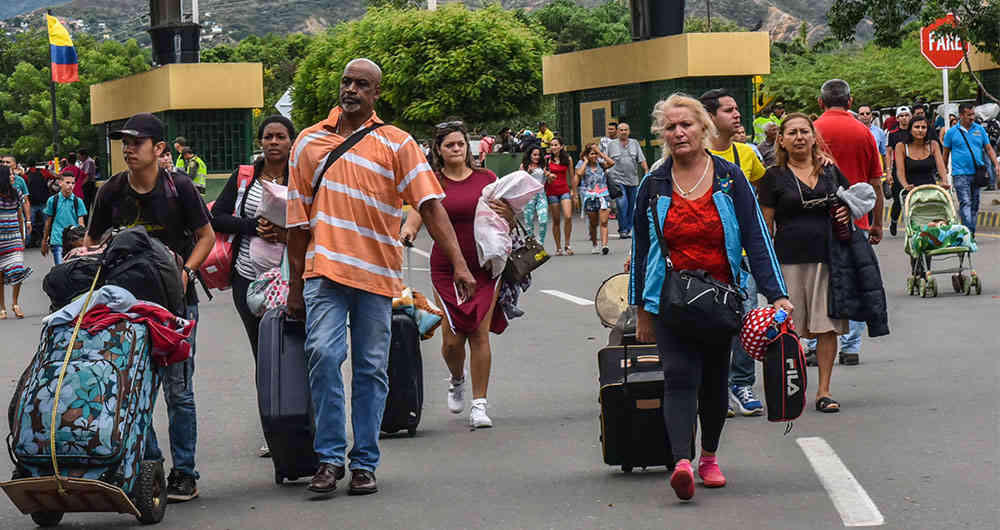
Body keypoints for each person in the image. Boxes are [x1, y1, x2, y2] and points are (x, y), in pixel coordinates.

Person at [285, 58, 474, 498]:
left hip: (376, 275)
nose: (350, 89)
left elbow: (429, 205)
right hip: (323, 272)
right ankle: (330, 458)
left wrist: (460, 263)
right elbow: (297, 223)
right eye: (346, 81)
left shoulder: (397, 143)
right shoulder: (308, 143)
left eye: (362, 84)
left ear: (375, 94)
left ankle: (364, 462)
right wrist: (295, 286)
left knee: (371, 368)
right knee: (323, 355)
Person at [630, 93, 792, 501]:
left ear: (703, 127)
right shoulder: (654, 183)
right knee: (679, 377)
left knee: (715, 383)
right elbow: (640, 248)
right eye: (671, 127)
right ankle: (682, 462)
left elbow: (756, 236)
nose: (679, 132)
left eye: (686, 125)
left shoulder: (727, 177)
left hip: (720, 299)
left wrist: (777, 294)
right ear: (661, 134)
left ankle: (709, 457)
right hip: (669, 300)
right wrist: (641, 311)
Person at [85, 112, 215, 503]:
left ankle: (185, 474)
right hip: (127, 310)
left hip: (176, 307)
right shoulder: (110, 191)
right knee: (133, 390)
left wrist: (187, 272)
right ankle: (152, 465)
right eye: (124, 142)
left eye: (136, 142)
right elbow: (93, 240)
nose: (127, 149)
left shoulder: (182, 188)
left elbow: (206, 237)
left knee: (178, 392)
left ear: (159, 149)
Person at [400, 121, 512, 429]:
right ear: (438, 150)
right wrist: (408, 232)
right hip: (446, 266)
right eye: (450, 145)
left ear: (468, 148)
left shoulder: (487, 179)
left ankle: (479, 404)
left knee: (478, 332)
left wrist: (510, 215)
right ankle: (457, 377)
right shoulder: (431, 183)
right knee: (452, 340)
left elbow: (508, 217)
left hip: (484, 265)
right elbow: (416, 215)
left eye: (461, 144)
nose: (456, 149)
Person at [209, 115, 295, 457]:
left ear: (291, 142)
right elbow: (217, 217)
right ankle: (272, 430)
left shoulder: (301, 176)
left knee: (300, 351)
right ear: (260, 142)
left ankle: (303, 422)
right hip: (250, 281)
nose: (274, 142)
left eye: (281, 137)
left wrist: (285, 233)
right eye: (268, 137)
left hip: (292, 279)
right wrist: (253, 227)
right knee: (265, 354)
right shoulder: (245, 177)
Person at [758, 113, 852, 413]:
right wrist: (765, 269)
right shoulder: (773, 177)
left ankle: (824, 391)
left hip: (827, 259)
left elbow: (853, 203)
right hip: (787, 263)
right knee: (787, 330)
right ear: (781, 140)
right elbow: (765, 226)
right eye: (792, 133)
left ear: (814, 137)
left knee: (827, 327)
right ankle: (790, 389)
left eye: (804, 132)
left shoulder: (830, 172)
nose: (799, 137)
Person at [699, 88, 767, 417]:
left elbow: (769, 189)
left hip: (741, 256)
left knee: (748, 316)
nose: (737, 114)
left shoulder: (747, 155)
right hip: (704, 256)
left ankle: (741, 382)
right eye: (729, 110)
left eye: (737, 108)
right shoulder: (694, 155)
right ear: (711, 118)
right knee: (711, 322)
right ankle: (715, 386)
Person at [813, 79, 884, 367]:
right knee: (854, 280)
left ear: (821, 102)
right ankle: (850, 346)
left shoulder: (811, 130)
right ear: (851, 102)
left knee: (819, 282)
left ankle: (812, 342)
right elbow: (875, 182)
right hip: (856, 219)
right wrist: (877, 222)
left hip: (817, 219)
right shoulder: (864, 132)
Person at [942, 102, 999, 238]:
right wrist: (943, 171)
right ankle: (968, 232)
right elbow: (945, 153)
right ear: (961, 115)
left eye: (973, 114)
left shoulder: (980, 130)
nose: (972, 117)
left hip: (977, 173)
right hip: (960, 174)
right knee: (965, 202)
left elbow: (988, 148)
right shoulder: (951, 132)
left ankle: (969, 231)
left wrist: (996, 164)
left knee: (975, 204)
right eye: (969, 115)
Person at [606, 122, 648, 239]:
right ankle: (623, 229)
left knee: (631, 206)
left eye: (625, 130)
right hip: (617, 179)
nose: (623, 132)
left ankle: (629, 228)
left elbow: (642, 159)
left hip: (632, 180)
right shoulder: (611, 145)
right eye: (621, 130)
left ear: (629, 131)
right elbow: (606, 160)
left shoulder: (634, 143)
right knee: (622, 204)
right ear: (617, 132)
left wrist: (646, 171)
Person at [0, 165, 32, 320]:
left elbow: (19, 214)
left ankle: (15, 303)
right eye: (10, 175)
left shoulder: (16, 193)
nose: (13, 177)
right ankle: (2, 308)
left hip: (14, 239)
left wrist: (22, 234)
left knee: (18, 269)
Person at [574, 143, 615, 255]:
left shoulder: (601, 164)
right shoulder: (581, 164)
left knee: (604, 221)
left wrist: (601, 153)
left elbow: (612, 163)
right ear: (587, 155)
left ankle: (604, 245)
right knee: (593, 223)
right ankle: (594, 243)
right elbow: (579, 173)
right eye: (592, 154)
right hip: (590, 196)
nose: (594, 156)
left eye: (596, 154)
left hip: (603, 195)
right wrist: (586, 161)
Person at [41, 171, 86, 265]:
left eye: (73, 183)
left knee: (74, 268)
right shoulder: (52, 200)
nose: (71, 186)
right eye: (68, 182)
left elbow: (81, 223)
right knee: (60, 267)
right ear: (60, 183)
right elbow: (48, 222)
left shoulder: (78, 201)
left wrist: (83, 240)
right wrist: (44, 241)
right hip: (57, 239)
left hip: (74, 240)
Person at [895, 115, 950, 192]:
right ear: (910, 130)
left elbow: (941, 167)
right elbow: (900, 171)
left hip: (930, 188)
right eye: (917, 127)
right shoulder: (901, 146)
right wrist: (905, 185)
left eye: (923, 127)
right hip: (911, 189)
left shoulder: (933, 144)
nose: (920, 130)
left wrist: (944, 181)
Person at [544, 137, 576, 255]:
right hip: (552, 192)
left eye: (556, 145)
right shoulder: (547, 159)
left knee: (568, 216)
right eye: (552, 145)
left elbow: (572, 176)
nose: (554, 147)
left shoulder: (568, 159)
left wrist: (574, 192)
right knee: (556, 220)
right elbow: (542, 171)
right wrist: (547, 173)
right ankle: (558, 247)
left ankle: (567, 244)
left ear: (561, 146)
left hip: (564, 190)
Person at [886, 106, 912, 236]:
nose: (904, 118)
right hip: (897, 169)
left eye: (906, 115)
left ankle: (912, 225)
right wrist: (889, 172)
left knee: (913, 198)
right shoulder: (893, 133)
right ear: (897, 118)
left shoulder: (915, 131)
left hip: (912, 167)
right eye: (901, 116)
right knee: (898, 199)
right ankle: (894, 221)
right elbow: (889, 153)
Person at [520, 146, 548, 245]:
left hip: (541, 195)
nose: (537, 157)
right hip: (528, 196)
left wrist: (548, 175)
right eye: (534, 155)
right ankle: (531, 243)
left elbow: (548, 179)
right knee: (528, 222)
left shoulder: (543, 166)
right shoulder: (524, 166)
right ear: (530, 155)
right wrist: (528, 173)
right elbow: (520, 181)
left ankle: (540, 242)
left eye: (539, 155)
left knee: (543, 220)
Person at [25, 163, 53, 248]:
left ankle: (27, 242)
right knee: (47, 223)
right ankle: (48, 241)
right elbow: (55, 177)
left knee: (29, 223)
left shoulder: (26, 175)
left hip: (31, 203)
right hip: (43, 201)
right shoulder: (44, 172)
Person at [858, 104, 889, 175]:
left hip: (876, 170)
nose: (865, 115)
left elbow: (884, 153)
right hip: (860, 170)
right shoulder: (853, 131)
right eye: (862, 114)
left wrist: (887, 171)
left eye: (867, 113)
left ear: (871, 115)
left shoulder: (879, 132)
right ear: (858, 116)